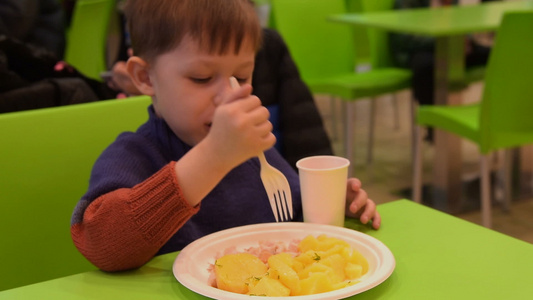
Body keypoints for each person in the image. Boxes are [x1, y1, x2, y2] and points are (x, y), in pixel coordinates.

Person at [70, 0, 381, 273]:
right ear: (145, 77)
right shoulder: (133, 156)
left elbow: (291, 217)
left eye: (241, 77)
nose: (227, 95)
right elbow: (101, 245)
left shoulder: (256, 155)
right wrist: (214, 157)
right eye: (202, 78)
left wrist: (334, 204)